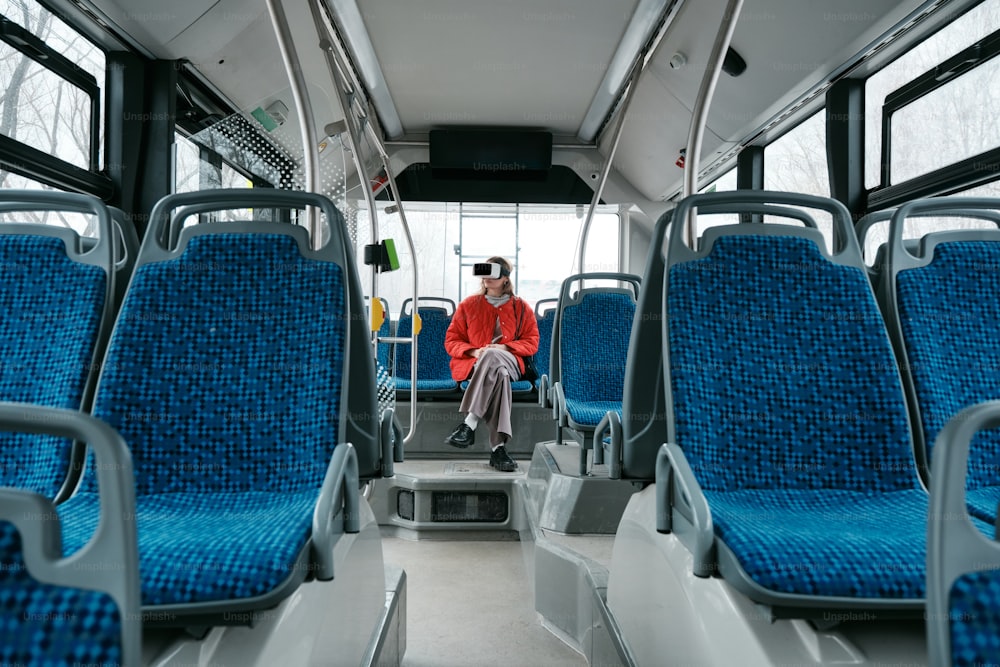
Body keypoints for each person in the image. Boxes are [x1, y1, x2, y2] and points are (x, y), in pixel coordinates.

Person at [444, 256, 539, 472]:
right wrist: (475, 351)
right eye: (483, 273)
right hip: (477, 364)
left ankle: (469, 423)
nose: (487, 277)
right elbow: (451, 341)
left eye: (492, 273)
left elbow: (532, 342)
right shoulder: (468, 305)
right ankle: (498, 449)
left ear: (505, 277)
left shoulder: (521, 307)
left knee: (495, 359)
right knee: (500, 374)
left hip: (512, 360)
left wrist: (502, 348)